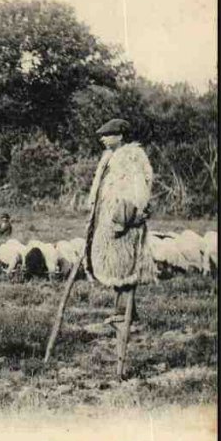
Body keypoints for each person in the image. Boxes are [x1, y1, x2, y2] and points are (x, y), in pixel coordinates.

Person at [84, 118, 155, 377]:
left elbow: (136, 192)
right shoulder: (110, 158)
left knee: (124, 267)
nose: (103, 138)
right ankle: (121, 312)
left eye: (109, 134)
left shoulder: (130, 158)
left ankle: (125, 315)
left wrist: (121, 220)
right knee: (114, 267)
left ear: (121, 136)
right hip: (107, 224)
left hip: (121, 225)